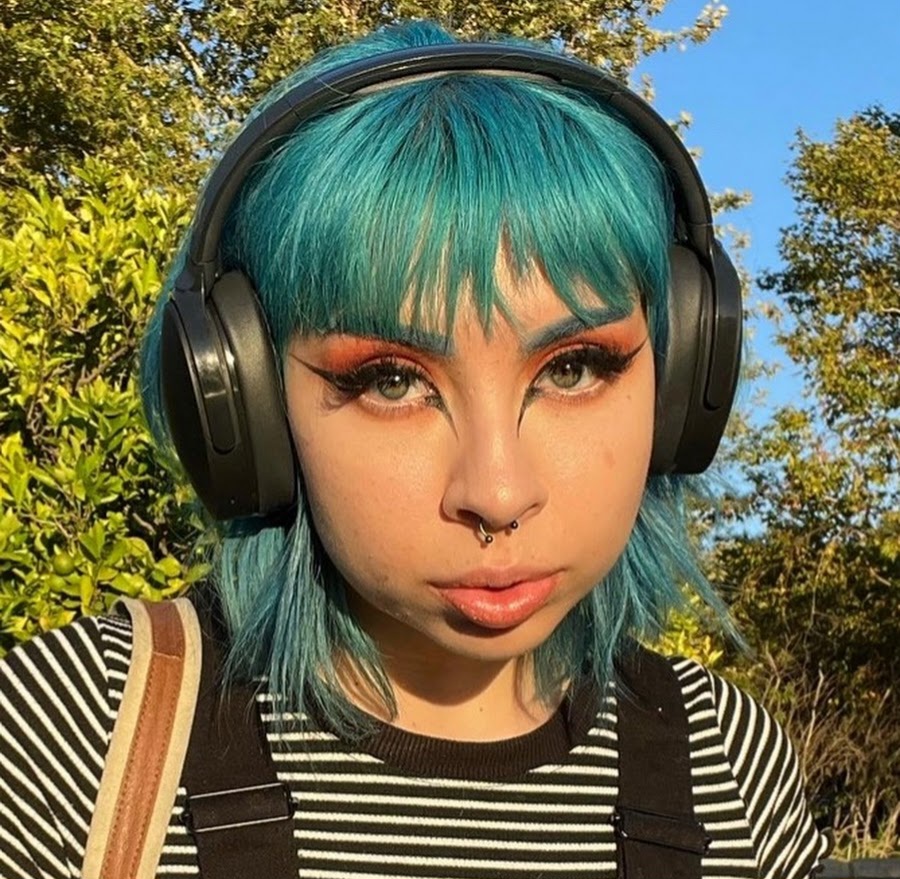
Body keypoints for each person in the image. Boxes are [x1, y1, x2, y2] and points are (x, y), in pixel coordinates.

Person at [0, 20, 830, 879]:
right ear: (246, 405)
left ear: (682, 376)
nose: (498, 493)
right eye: (392, 381)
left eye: (573, 368)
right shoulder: (73, 742)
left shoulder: (729, 767)